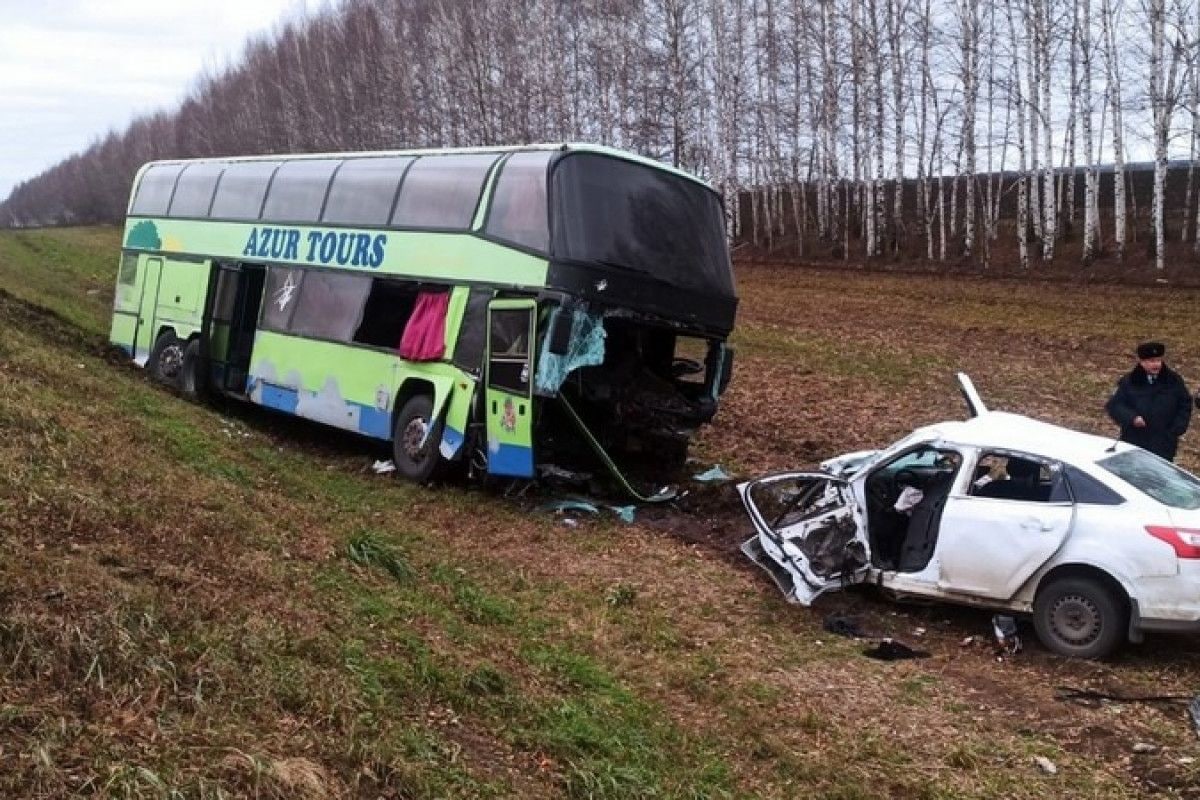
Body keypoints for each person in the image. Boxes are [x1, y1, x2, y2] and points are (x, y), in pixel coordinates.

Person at [1105, 341, 1192, 461]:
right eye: (1151, 361)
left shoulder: (1173, 381)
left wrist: (1176, 428)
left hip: (1164, 444)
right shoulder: (1129, 382)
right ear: (1142, 362)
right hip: (1135, 442)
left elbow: (1185, 404)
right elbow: (1115, 405)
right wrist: (1132, 418)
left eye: (1158, 360)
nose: (1156, 364)